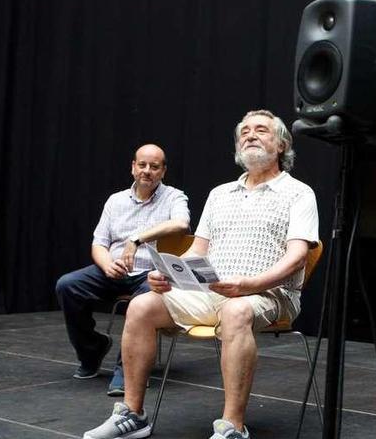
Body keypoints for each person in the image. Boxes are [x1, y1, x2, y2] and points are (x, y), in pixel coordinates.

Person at [83, 110, 319, 439]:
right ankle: (132, 414)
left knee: (236, 310)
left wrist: (249, 285)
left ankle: (232, 428)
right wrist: (167, 274)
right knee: (141, 305)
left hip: (268, 294)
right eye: (245, 131)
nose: (250, 135)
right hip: (212, 291)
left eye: (261, 130)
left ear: (281, 145)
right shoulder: (219, 194)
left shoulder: (299, 193)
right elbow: (197, 251)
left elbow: (297, 259)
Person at [56, 144, 190, 396]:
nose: (147, 171)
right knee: (67, 285)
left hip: (150, 273)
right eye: (142, 165)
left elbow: (181, 223)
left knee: (144, 299)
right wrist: (107, 264)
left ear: (163, 171)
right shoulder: (115, 200)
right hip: (114, 270)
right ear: (133, 167)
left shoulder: (174, 197)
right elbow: (99, 243)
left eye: (154, 166)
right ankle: (92, 348)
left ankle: (127, 371)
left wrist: (136, 238)